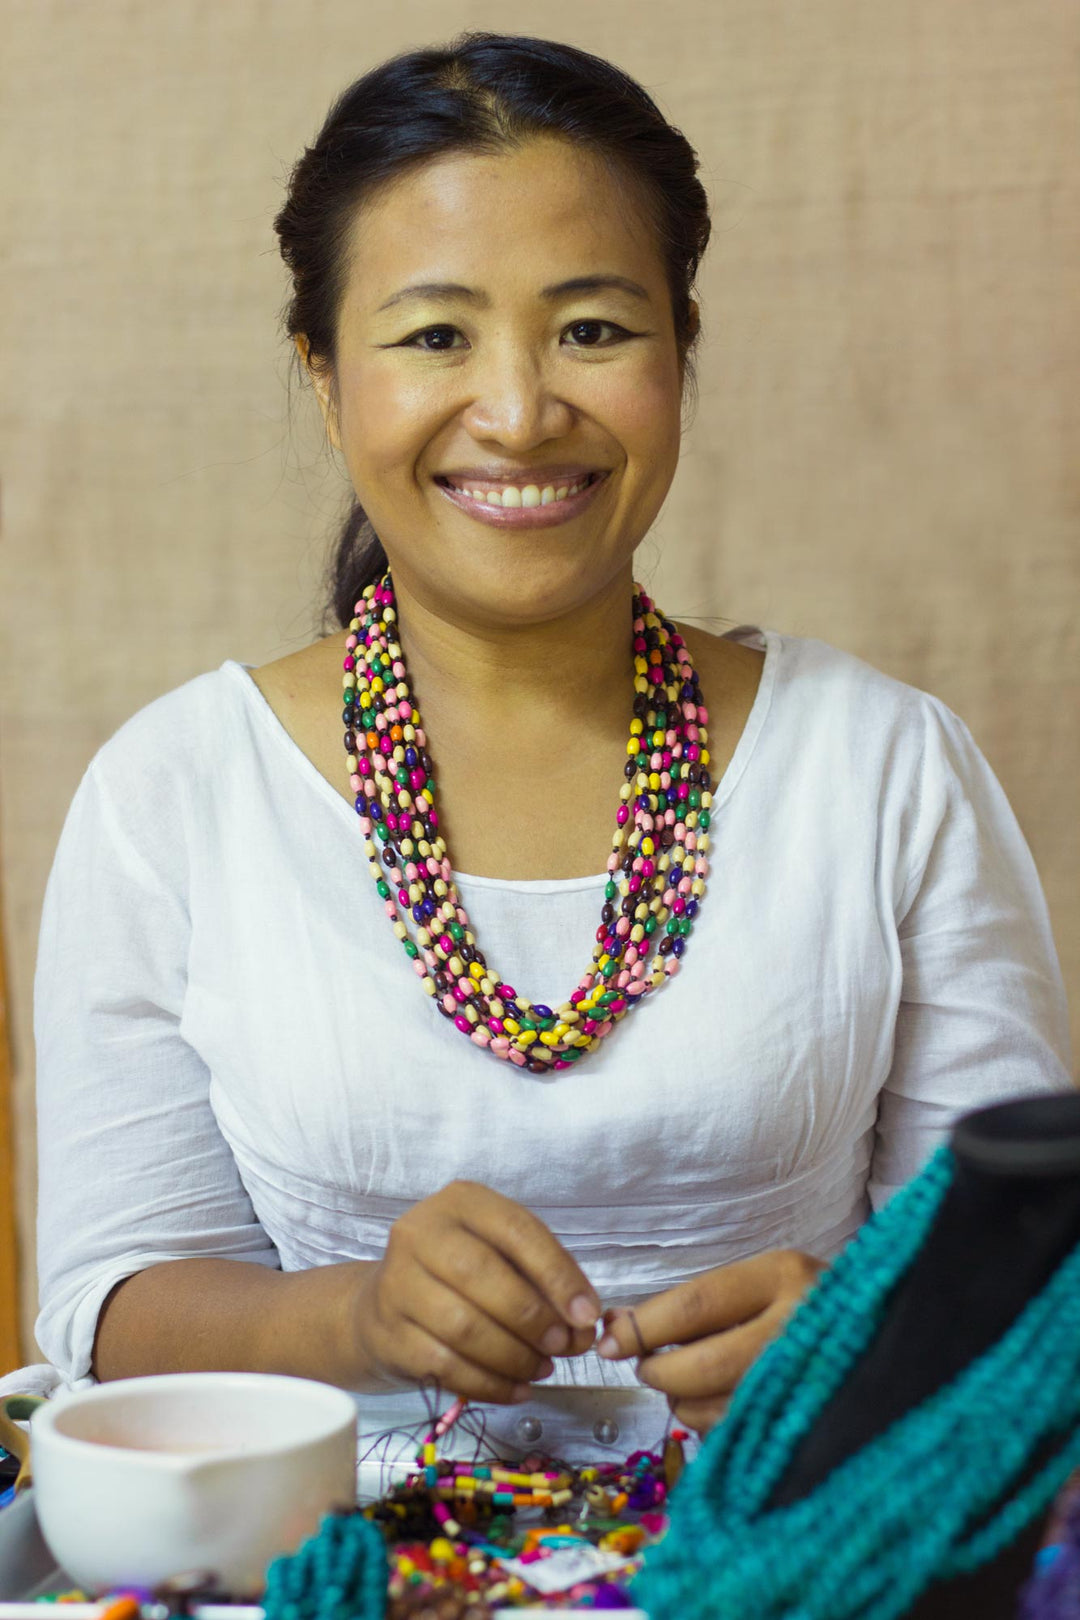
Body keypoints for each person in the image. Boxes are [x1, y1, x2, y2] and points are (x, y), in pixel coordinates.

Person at [25, 33, 1072, 1449]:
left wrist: (860, 1335)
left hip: (798, 1532)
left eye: (591, 329)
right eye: (434, 337)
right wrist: (354, 1316)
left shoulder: (883, 768)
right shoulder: (175, 793)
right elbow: (112, 1296)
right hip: (333, 1547)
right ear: (324, 376)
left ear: (681, 350)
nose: (519, 414)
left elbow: (1024, 1280)